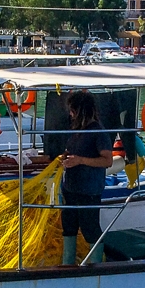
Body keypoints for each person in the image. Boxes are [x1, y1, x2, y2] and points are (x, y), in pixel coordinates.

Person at [60, 89, 113, 265]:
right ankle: (67, 264)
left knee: (90, 228)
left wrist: (80, 160)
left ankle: (96, 265)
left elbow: (107, 160)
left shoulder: (98, 132)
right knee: (68, 227)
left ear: (80, 111)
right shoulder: (76, 130)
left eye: (73, 110)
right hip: (70, 188)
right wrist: (65, 156)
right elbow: (73, 151)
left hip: (88, 190)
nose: (70, 114)